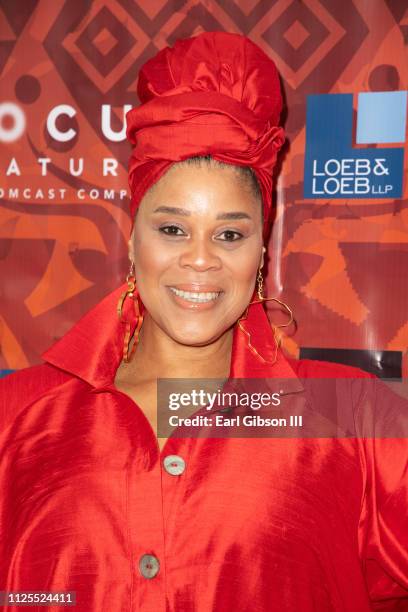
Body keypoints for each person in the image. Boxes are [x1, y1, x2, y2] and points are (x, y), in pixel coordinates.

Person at [1, 31, 407, 612]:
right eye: (172, 229)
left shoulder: (351, 419)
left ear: (261, 251)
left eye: (230, 234)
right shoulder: (17, 415)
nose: (199, 259)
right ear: (132, 239)